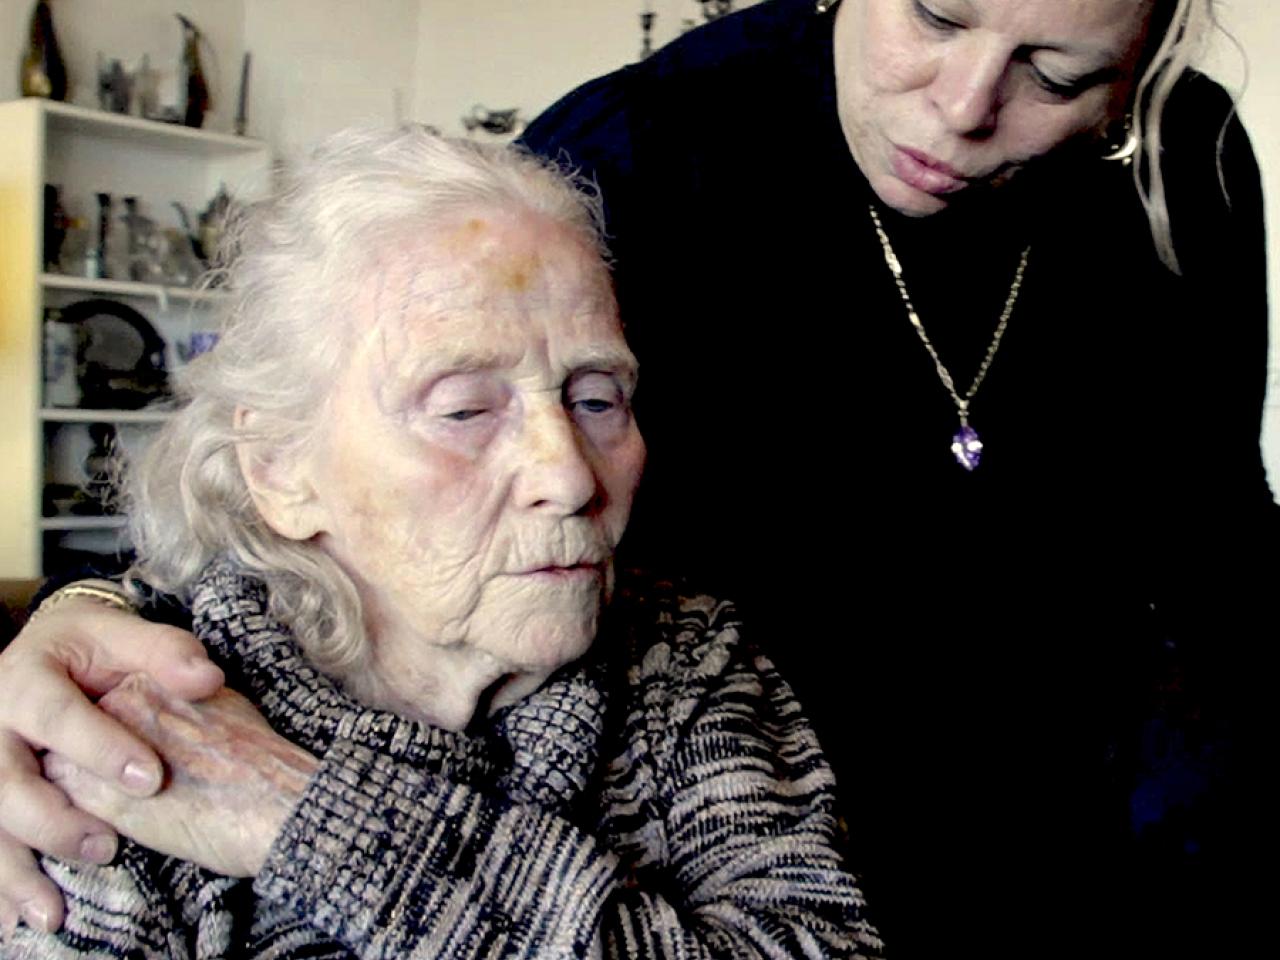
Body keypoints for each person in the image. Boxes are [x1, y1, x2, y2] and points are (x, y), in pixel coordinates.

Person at [0, 0, 1273, 954]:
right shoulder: (632, 161)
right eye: (934, 11)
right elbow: (338, 431)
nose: (964, 103)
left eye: (1059, 73)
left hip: (1074, 854)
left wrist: (311, 822)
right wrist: (97, 616)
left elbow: (1223, 560)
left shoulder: (1175, 175)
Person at [0, 127, 883, 958]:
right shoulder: (134, 727)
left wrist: (305, 819)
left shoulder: (686, 654)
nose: (571, 476)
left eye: (597, 398)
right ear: (279, 468)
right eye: (464, 409)